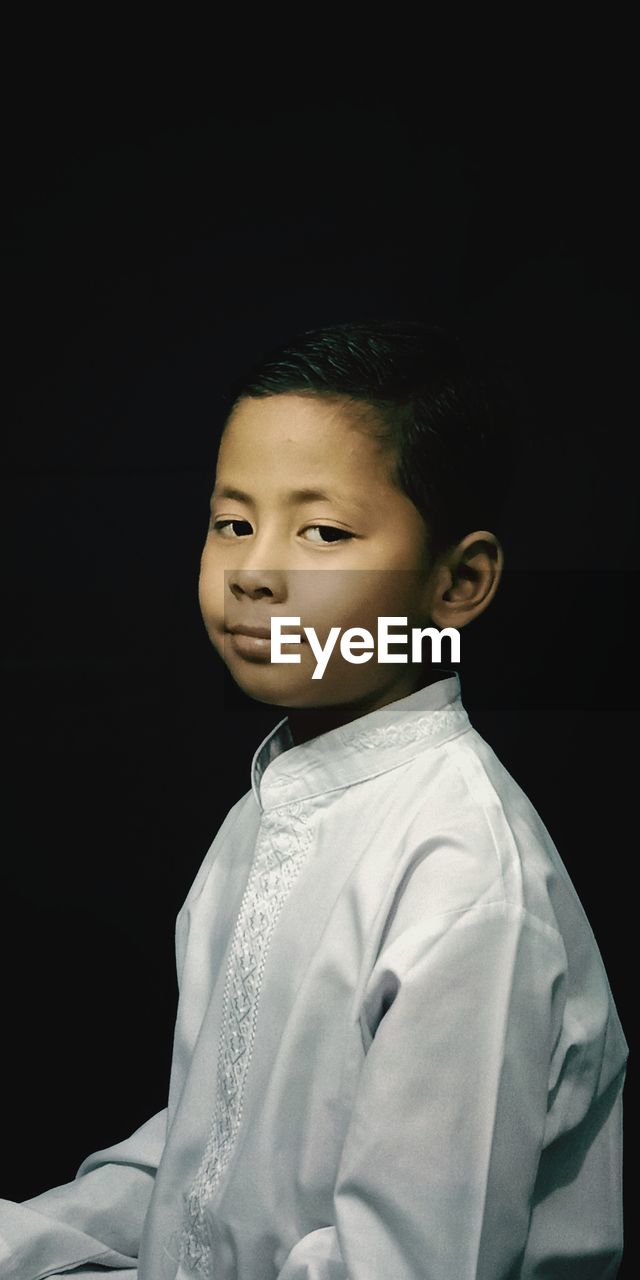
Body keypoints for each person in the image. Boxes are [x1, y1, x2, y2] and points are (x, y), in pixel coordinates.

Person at [0, 320, 627, 1278]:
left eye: (323, 531)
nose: (253, 570)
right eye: (232, 522)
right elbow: (207, 1158)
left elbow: (414, 1263)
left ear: (459, 582)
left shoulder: (464, 879)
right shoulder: (273, 807)